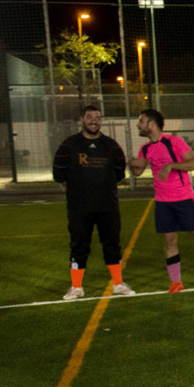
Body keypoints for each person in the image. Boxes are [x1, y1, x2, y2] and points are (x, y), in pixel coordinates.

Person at [130, 110, 194, 293]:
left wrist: (171, 165)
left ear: (152, 124)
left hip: (184, 199)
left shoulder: (174, 142)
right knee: (169, 240)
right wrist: (132, 164)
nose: (139, 125)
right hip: (162, 202)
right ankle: (176, 282)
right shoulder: (145, 149)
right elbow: (138, 172)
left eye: (141, 121)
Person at [52, 105, 134, 299]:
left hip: (107, 206)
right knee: (79, 245)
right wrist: (79, 189)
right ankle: (76, 287)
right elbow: (59, 173)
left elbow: (119, 173)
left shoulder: (112, 146)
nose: (94, 121)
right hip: (79, 207)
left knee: (112, 244)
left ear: (101, 121)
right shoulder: (69, 145)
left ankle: (118, 284)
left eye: (97, 117)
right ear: (82, 119)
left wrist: (100, 187)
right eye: (89, 117)